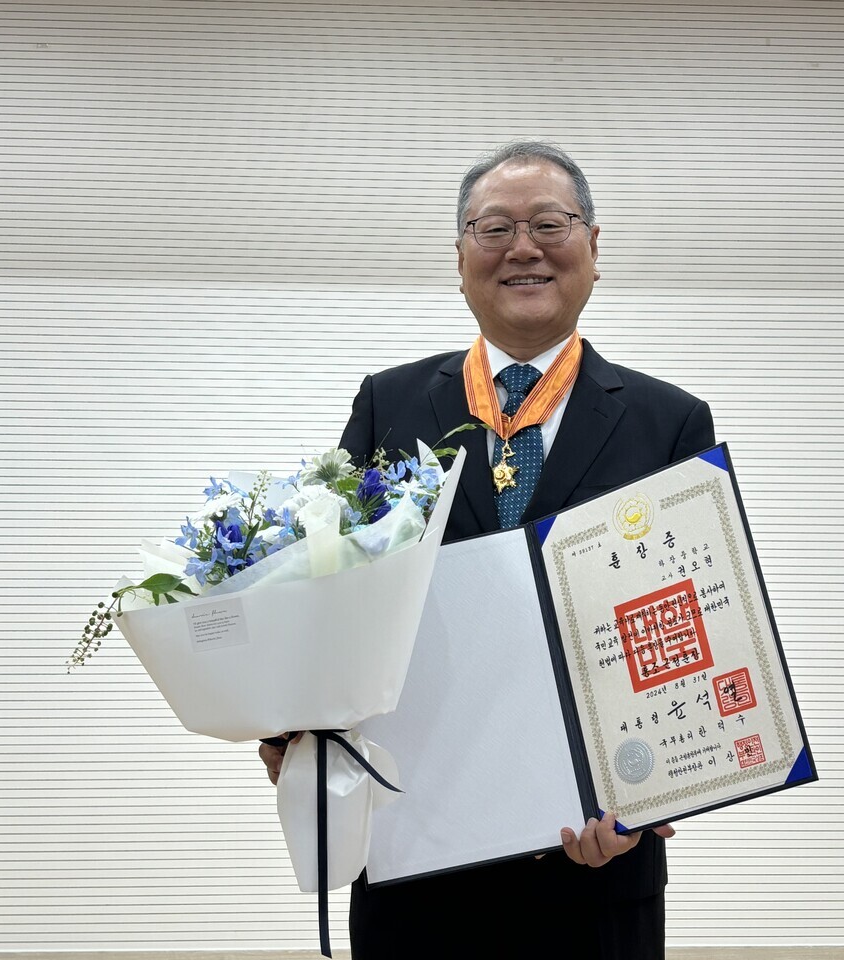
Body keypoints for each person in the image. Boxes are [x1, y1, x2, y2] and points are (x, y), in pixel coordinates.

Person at [260, 140, 715, 959]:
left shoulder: (669, 421)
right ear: (461, 256)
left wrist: (651, 795)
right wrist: (291, 734)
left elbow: (684, 628)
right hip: (417, 858)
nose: (524, 248)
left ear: (594, 248)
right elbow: (325, 591)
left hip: (593, 864)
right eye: (494, 227)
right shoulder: (388, 404)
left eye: (550, 223)